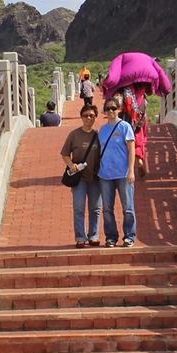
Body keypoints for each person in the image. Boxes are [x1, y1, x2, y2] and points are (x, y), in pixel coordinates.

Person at [60, 104, 101, 247]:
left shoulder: (99, 135)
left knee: (95, 208)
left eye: (91, 116)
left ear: (95, 117)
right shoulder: (74, 135)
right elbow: (65, 153)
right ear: (81, 117)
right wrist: (72, 166)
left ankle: (94, 235)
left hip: (95, 177)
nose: (89, 118)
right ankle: (80, 237)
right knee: (79, 207)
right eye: (86, 115)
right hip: (79, 178)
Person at [98, 95, 136, 247]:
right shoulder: (102, 130)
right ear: (105, 112)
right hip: (105, 174)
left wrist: (131, 170)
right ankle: (111, 237)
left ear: (119, 110)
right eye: (108, 109)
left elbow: (131, 149)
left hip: (123, 173)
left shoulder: (124, 127)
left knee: (128, 207)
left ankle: (129, 236)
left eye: (113, 108)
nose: (111, 111)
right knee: (107, 209)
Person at [121, 83, 149, 176]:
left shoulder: (127, 90)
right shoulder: (143, 91)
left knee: (127, 141)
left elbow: (125, 105)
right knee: (139, 140)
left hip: (128, 119)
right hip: (141, 119)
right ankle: (140, 160)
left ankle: (128, 167)